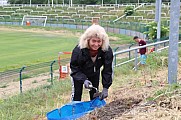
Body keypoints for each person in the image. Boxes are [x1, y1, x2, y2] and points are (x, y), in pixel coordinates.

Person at [70, 24, 113, 101]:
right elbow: (74, 68)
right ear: (87, 40)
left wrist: (106, 87)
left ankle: (94, 112)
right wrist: (84, 80)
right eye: (93, 41)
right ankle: (75, 110)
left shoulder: (106, 51)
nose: (96, 44)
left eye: (99, 41)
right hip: (79, 73)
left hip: (94, 72)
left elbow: (107, 70)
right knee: (77, 94)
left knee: (94, 94)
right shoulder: (78, 51)